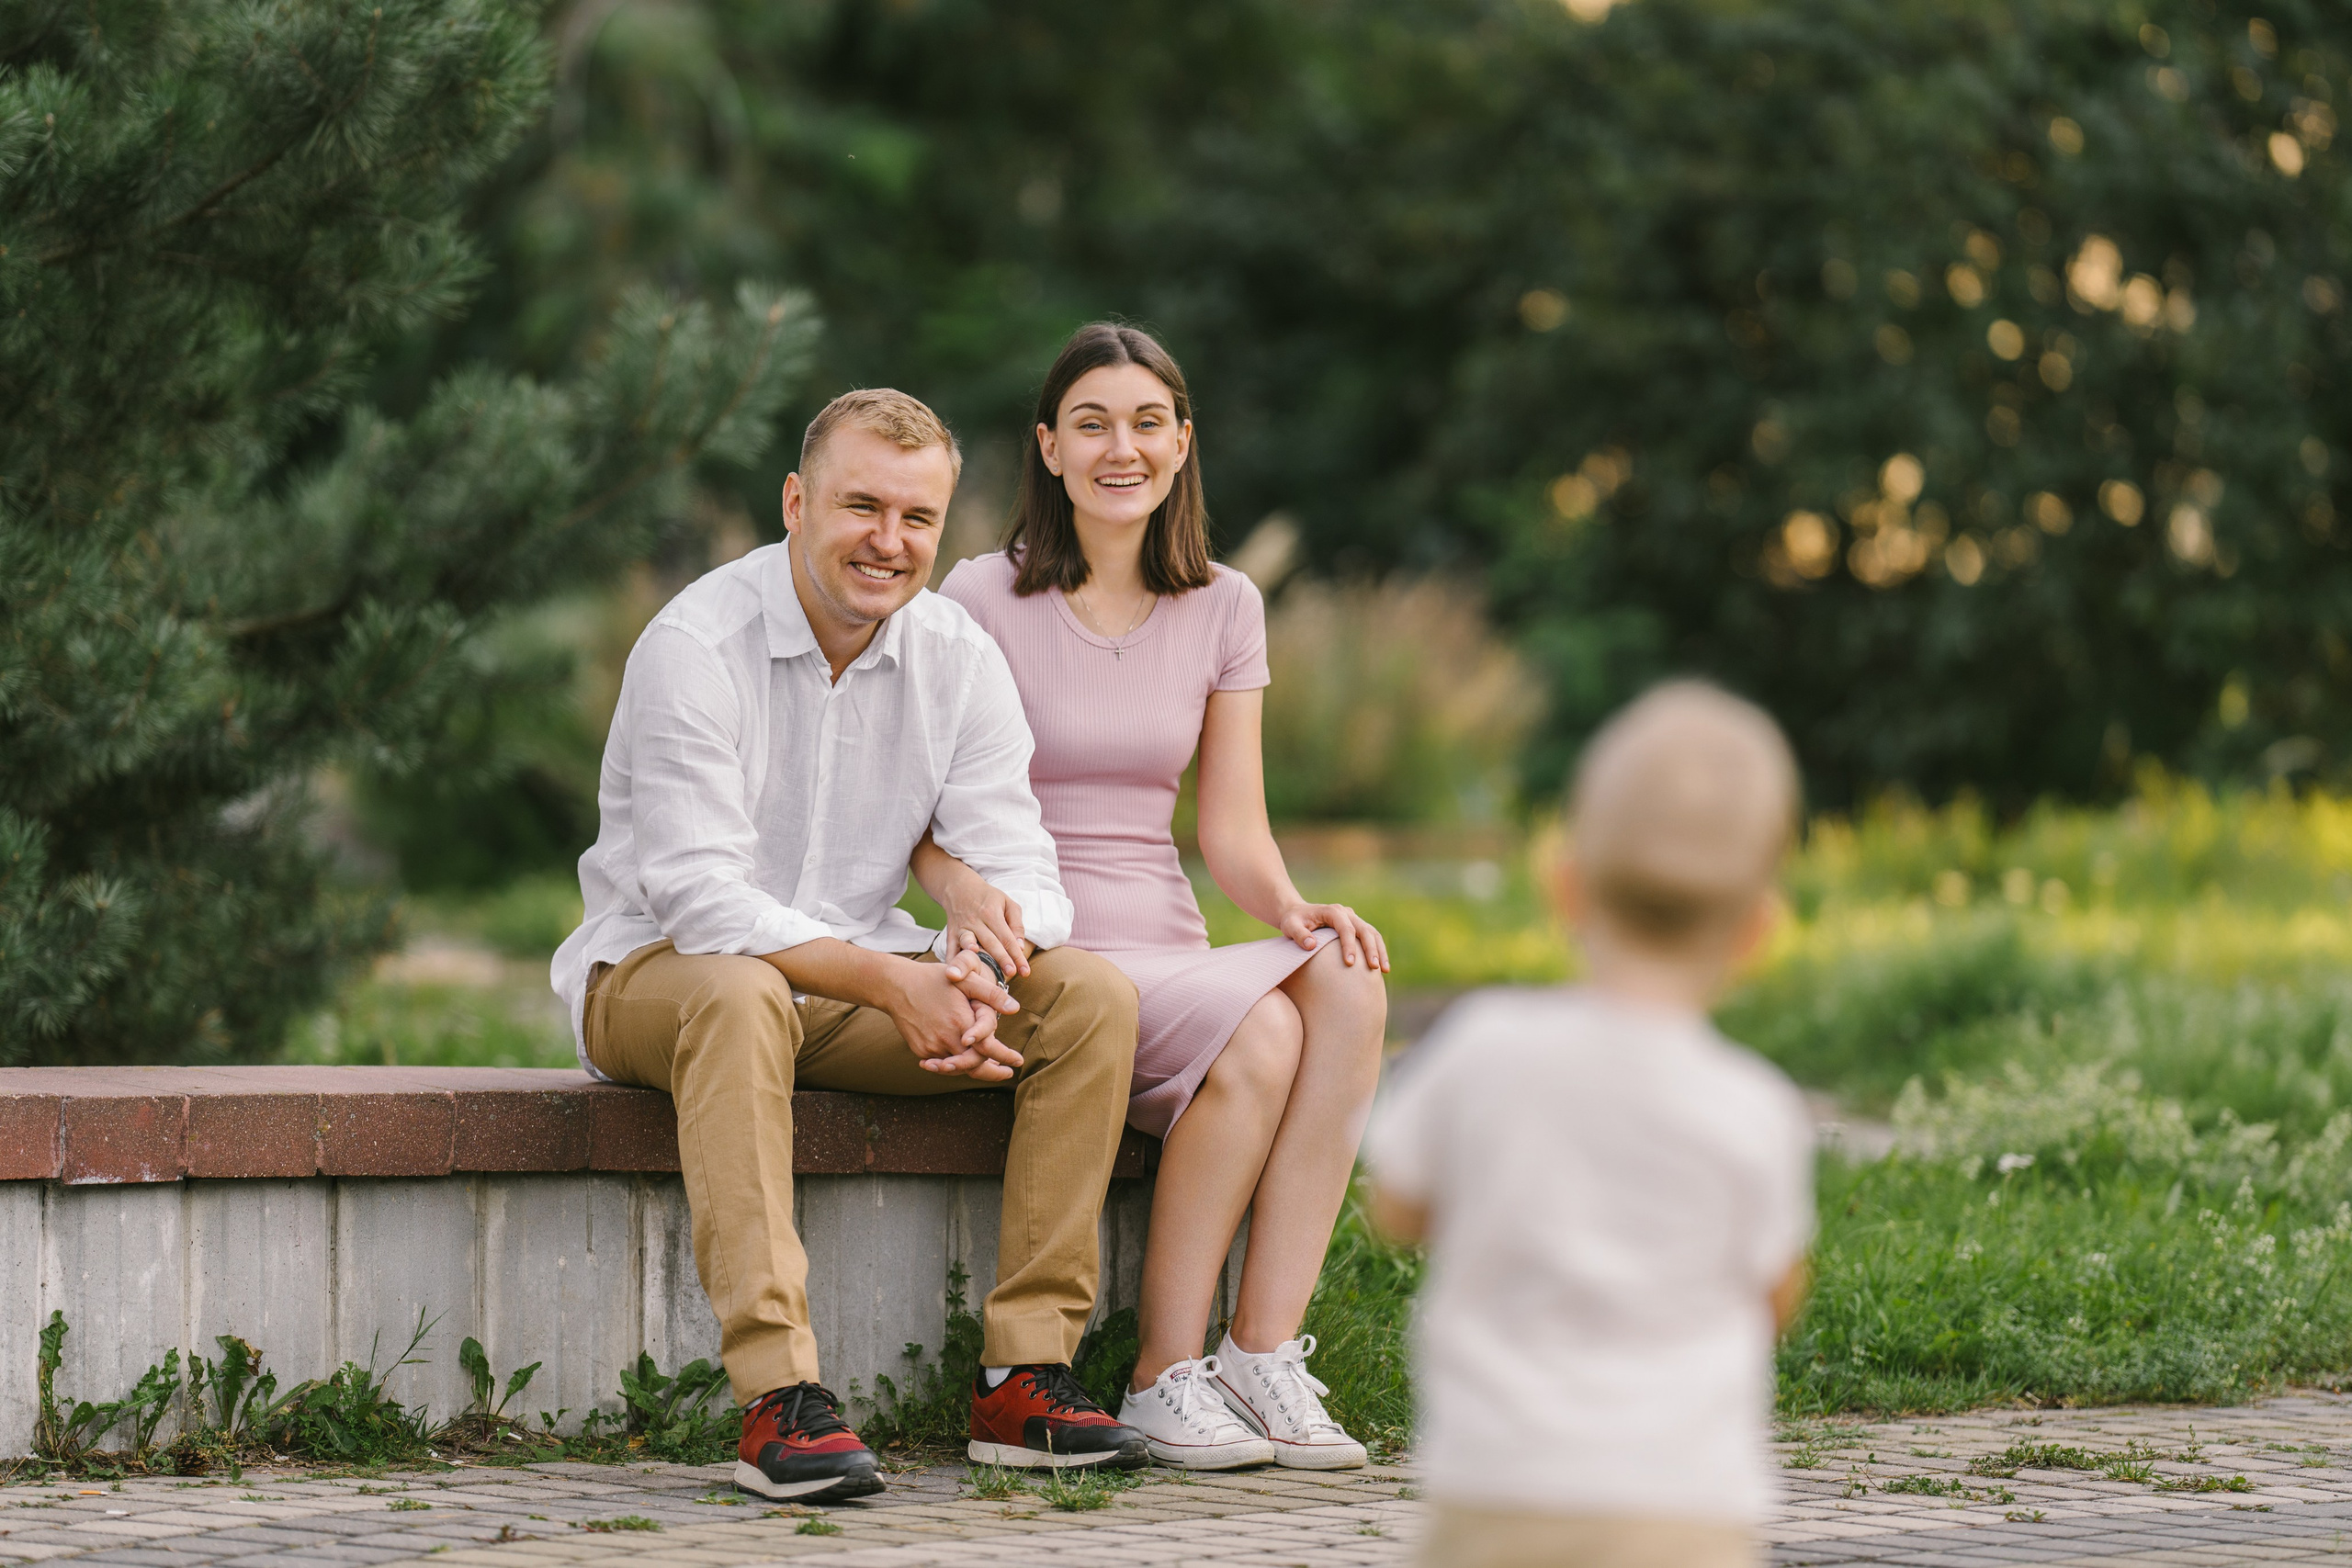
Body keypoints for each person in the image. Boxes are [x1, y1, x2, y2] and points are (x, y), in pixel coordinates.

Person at [550, 389, 1151, 1505]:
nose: (889, 541)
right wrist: (893, 982)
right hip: (653, 976)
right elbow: (703, 903)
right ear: (795, 502)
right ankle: (778, 1397)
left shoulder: (956, 657)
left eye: (918, 518)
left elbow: (1026, 869)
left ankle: (1022, 1378)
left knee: (1089, 998)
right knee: (740, 993)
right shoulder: (694, 643)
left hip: (855, 993)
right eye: (861, 507)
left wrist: (977, 962)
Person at [929, 322, 1389, 1471]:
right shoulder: (979, 594)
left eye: (1145, 423)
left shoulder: (1226, 604)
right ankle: (1160, 1377)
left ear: (1182, 444)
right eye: (1090, 424)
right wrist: (965, 899)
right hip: (1045, 948)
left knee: (1346, 975)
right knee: (1263, 1032)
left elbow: (1230, 830)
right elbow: (919, 804)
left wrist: (1292, 909)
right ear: (1048, 448)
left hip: (1166, 942)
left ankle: (1258, 1353)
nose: (1119, 448)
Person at [1364, 682, 1815, 1568]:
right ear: (1758, 931)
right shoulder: (1754, 1104)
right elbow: (1775, 1294)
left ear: (1563, 884)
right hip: (1684, 1507)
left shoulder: (1485, 1044)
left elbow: (1397, 1207)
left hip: (1498, 1489)